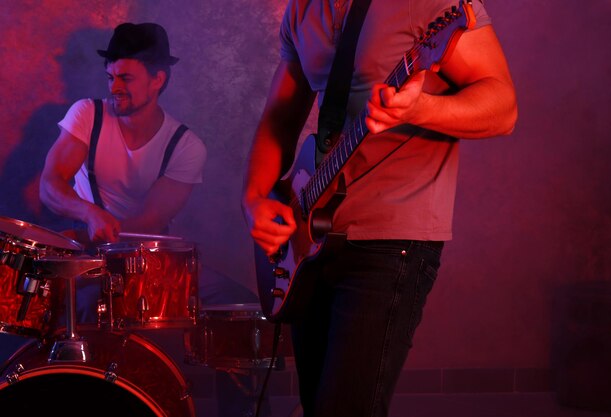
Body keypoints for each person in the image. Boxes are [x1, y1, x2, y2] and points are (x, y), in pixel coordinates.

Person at [241, 1, 517, 417]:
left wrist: (421, 108)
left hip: (393, 239)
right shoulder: (303, 10)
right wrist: (254, 200)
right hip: (311, 237)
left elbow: (503, 108)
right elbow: (280, 117)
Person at [39, 22, 207, 323]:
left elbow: (150, 221)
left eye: (126, 78)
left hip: (154, 264)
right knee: (88, 307)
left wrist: (86, 234)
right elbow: (49, 185)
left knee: (233, 303)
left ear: (157, 80)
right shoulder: (87, 115)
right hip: (87, 263)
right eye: (111, 77)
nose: (114, 87)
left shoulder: (186, 146)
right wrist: (89, 214)